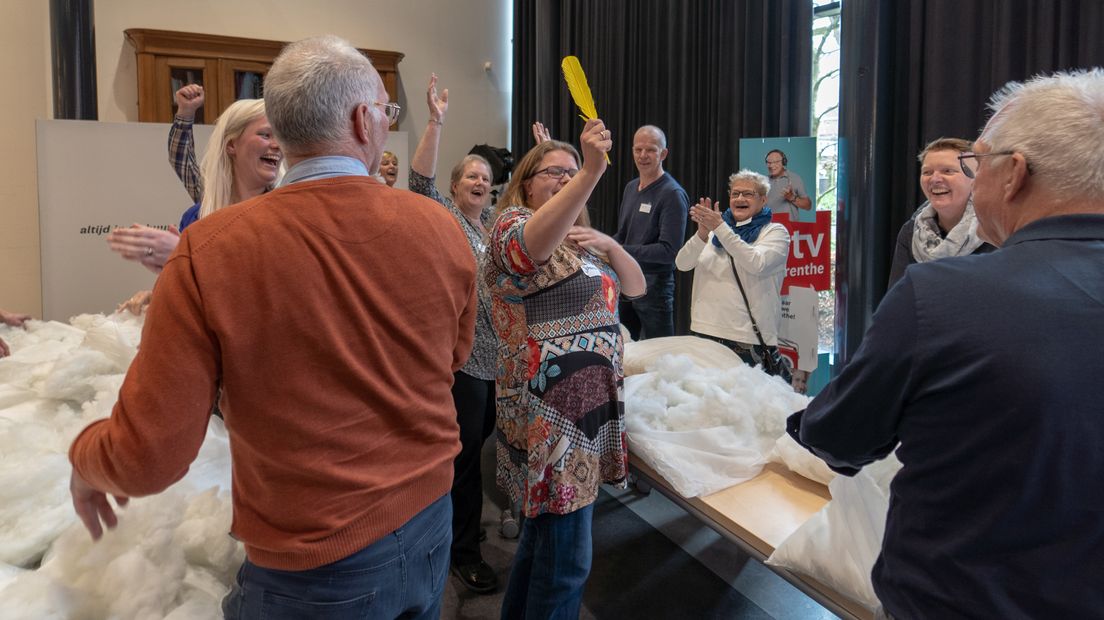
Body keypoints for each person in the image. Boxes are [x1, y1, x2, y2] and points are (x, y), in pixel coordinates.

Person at [69, 34, 478, 620]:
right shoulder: (440, 228)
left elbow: (150, 453)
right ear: (365, 120)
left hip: (315, 559)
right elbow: (452, 356)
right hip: (431, 516)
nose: (385, 124)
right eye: (386, 113)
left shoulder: (210, 250)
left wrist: (85, 459)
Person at [786, 69, 1104, 618]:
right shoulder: (921, 247)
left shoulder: (943, 297)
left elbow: (841, 439)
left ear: (1014, 175)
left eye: (974, 163)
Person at [485, 124, 645, 618]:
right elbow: (529, 250)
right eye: (554, 172)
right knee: (567, 566)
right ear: (526, 183)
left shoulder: (578, 241)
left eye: (572, 172)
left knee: (541, 550)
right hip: (550, 421)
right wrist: (593, 170)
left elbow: (635, 289)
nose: (566, 178)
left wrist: (610, 245)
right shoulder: (512, 225)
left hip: (585, 417)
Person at [409, 73, 498, 594]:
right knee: (463, 462)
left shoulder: (495, 226)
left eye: (486, 177)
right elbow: (419, 182)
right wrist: (437, 123)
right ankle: (461, 550)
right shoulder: (445, 217)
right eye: (471, 177)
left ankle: (453, 532)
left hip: (495, 362)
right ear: (456, 185)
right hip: (461, 361)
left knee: (477, 452)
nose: (480, 183)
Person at [108, 98, 282, 314]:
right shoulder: (196, 217)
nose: (276, 145)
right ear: (231, 145)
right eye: (265, 135)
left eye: (280, 136)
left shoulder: (287, 214)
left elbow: (269, 294)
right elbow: (193, 294)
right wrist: (159, 293)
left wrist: (188, 261)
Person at [676, 170, 790, 372]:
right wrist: (702, 234)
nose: (740, 198)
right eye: (735, 194)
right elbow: (682, 264)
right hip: (705, 332)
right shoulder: (714, 234)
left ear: (763, 200)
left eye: (748, 194)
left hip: (746, 340)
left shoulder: (775, 232)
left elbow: (756, 263)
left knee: (747, 403)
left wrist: (720, 228)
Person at [887, 137, 995, 288]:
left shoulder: (994, 230)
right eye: (927, 172)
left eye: (948, 171)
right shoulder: (910, 232)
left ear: (974, 178)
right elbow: (897, 298)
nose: (935, 179)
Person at [613, 125, 689, 340]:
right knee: (625, 346)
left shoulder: (672, 194)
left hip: (655, 287)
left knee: (660, 353)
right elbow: (623, 234)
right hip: (626, 281)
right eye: (638, 149)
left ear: (663, 153)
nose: (643, 156)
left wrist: (618, 251)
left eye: (651, 150)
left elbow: (668, 251)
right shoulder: (630, 187)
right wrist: (602, 246)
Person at [764, 149, 811, 221]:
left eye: (776, 162)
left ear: (783, 162)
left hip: (789, 229)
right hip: (769, 228)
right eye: (769, 162)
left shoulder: (795, 179)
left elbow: (808, 206)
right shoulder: (763, 181)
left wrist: (792, 197)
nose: (771, 165)